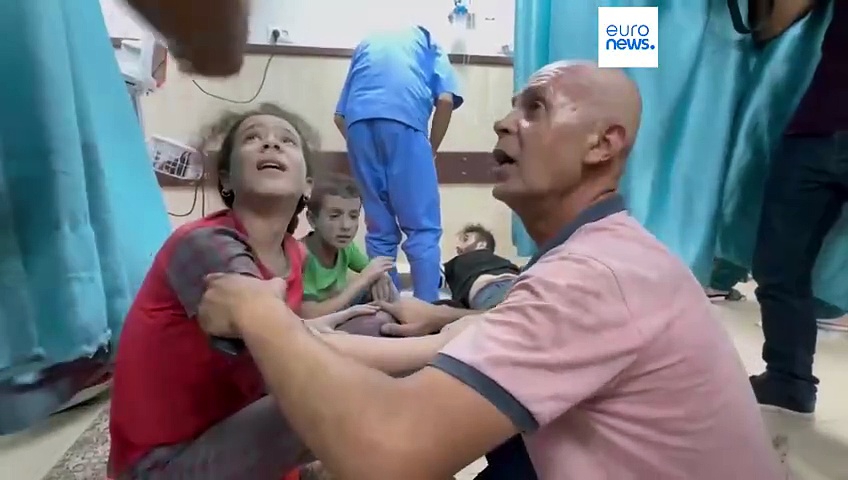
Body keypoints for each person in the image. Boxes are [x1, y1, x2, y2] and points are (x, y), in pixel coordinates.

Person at [197, 62, 782, 479]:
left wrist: (260, 315)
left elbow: (388, 452)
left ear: (602, 145)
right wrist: (443, 318)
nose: (502, 122)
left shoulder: (592, 274)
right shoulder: (604, 253)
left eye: (535, 108)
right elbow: (524, 324)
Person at [108, 104, 372, 479]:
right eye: (253, 138)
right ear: (226, 180)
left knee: (375, 326)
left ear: (307, 186)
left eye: (286, 141)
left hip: (230, 434)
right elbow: (290, 356)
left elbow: (285, 345)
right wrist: (439, 346)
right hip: (163, 465)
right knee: (347, 384)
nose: (270, 143)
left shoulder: (295, 255)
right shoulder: (205, 245)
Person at [749, 0, 847, 416]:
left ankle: (789, 379)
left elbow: (770, 25)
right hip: (822, 126)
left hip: (824, 127)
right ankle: (788, 381)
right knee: (780, 264)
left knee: (780, 264)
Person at [333, 25, 463, 302]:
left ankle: (386, 306)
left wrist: (363, 150)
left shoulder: (366, 43)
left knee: (379, 231)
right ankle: (426, 305)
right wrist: (429, 150)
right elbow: (445, 100)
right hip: (405, 121)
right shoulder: (429, 42)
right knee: (422, 228)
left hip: (357, 126)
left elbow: (339, 117)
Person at [301, 173, 399, 335]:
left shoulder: (345, 247)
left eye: (353, 216)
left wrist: (381, 276)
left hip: (337, 309)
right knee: (378, 322)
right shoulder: (302, 256)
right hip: (313, 326)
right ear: (312, 219)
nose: (346, 226)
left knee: (383, 283)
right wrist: (363, 279)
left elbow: (371, 271)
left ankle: (404, 321)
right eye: (334, 216)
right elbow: (309, 316)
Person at [442, 224, 521, 310]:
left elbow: (435, 274)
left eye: (465, 239)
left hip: (491, 289)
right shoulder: (503, 261)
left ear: (481, 245)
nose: (458, 246)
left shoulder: (457, 263)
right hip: (518, 284)